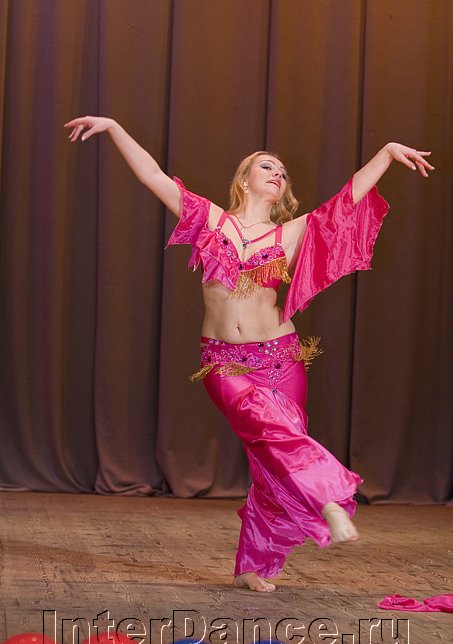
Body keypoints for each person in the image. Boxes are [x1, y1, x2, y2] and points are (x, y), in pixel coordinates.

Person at [64, 116, 434, 592]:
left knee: (269, 458)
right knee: (273, 433)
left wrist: (384, 154)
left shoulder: (290, 233)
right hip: (225, 363)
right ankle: (328, 501)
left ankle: (251, 565)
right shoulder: (209, 220)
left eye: (282, 171)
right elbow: (152, 175)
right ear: (244, 179)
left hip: (282, 359)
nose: (277, 173)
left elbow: (346, 201)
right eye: (267, 167)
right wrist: (114, 127)